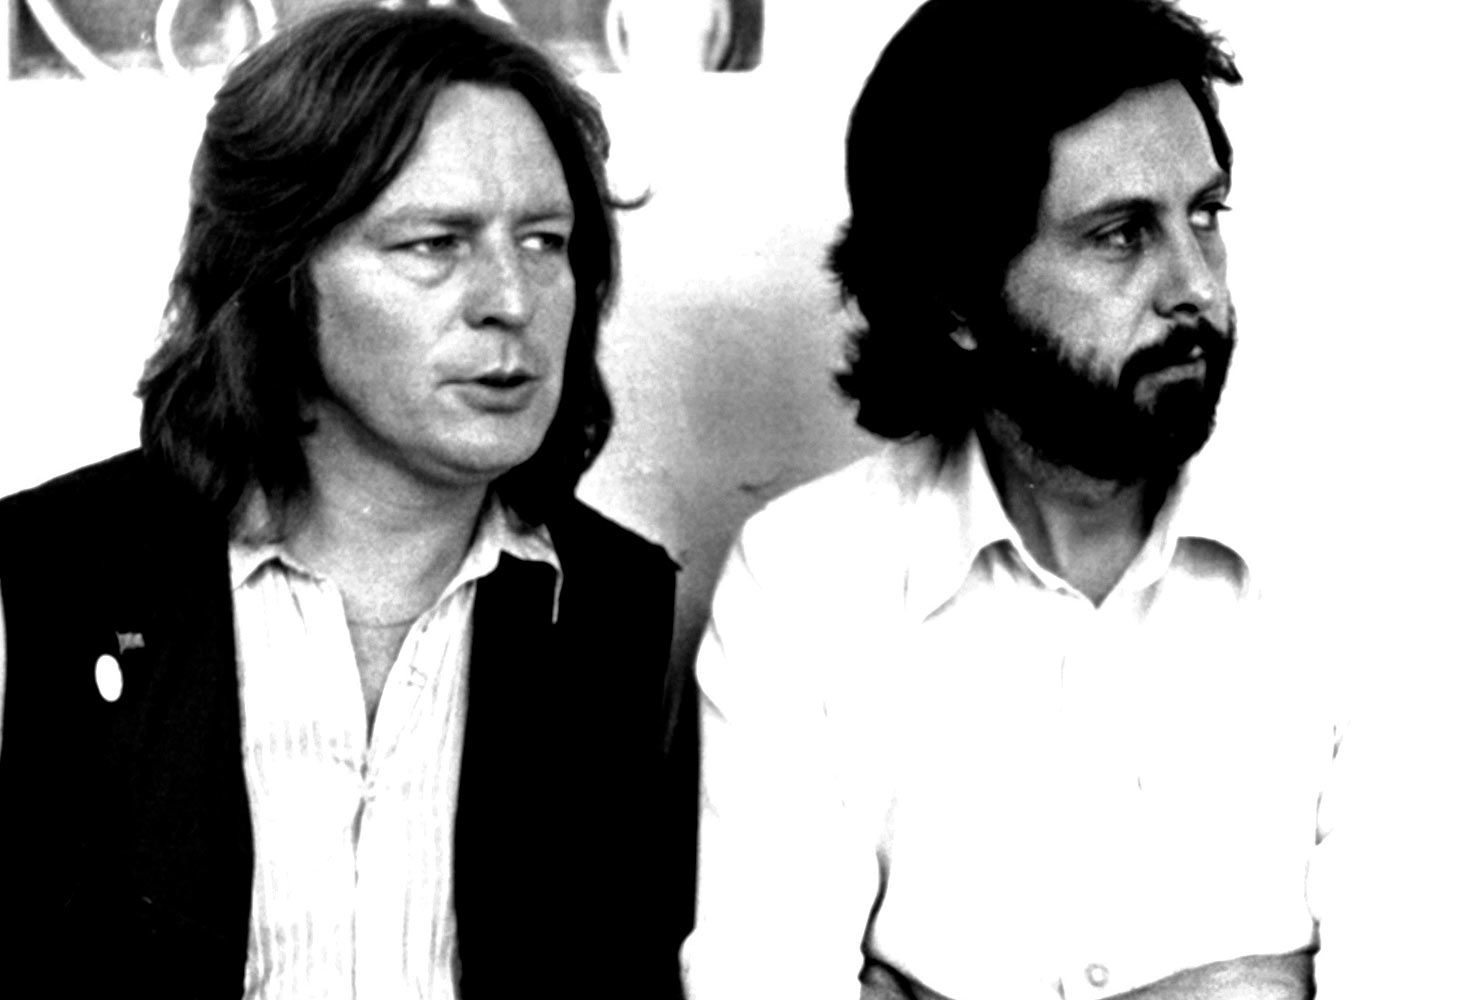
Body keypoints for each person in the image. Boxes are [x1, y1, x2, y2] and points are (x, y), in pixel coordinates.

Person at [0, 6, 686, 997]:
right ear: (275, 271)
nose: (511, 300)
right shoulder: (52, 580)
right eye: (434, 243)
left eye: (545, 241)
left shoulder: (610, 603)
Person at [684, 2, 1340, 998]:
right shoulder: (805, 577)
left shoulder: (1349, 559)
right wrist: (1248, 981)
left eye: (1205, 215)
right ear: (954, 299)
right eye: (1121, 234)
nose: (1197, 288)